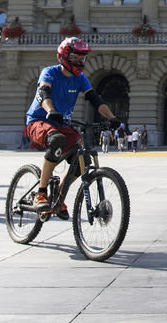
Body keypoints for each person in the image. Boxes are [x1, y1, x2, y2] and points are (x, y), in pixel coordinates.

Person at [24, 37, 116, 216]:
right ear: (64, 57)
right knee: (56, 140)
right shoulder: (49, 72)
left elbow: (94, 99)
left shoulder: (80, 79)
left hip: (62, 124)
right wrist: (50, 110)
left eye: (83, 58)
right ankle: (41, 193)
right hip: (38, 121)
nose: (80, 62)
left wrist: (112, 118)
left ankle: (58, 195)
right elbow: (44, 92)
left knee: (83, 161)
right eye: (76, 58)